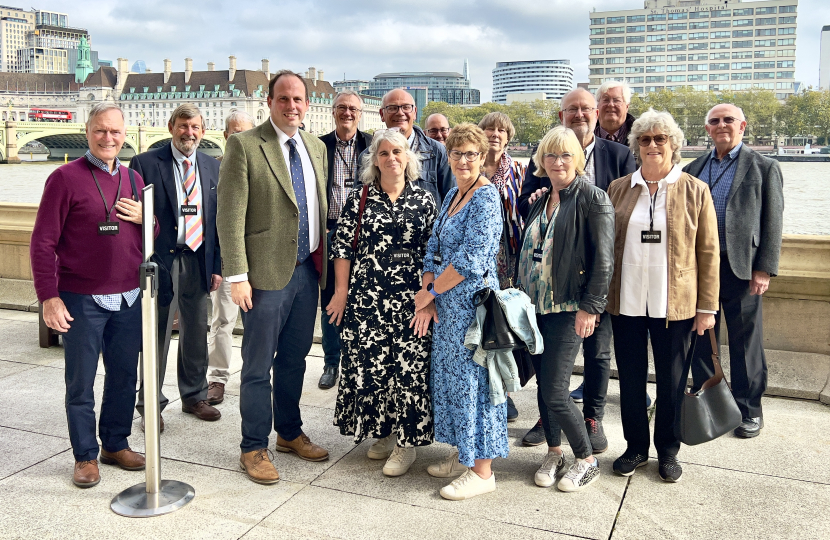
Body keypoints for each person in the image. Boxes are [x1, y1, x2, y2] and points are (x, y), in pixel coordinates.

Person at [217, 70, 330, 485]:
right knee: (257, 365)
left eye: (298, 99)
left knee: (295, 360)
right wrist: (238, 275)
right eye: (284, 99)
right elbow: (229, 218)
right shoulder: (245, 146)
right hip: (263, 276)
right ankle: (253, 446)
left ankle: (289, 432)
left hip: (306, 272)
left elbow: (317, 208)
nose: (292, 106)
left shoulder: (316, 147)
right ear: (269, 102)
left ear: (306, 103)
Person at [30, 102, 150, 487]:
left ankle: (115, 443)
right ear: (87, 131)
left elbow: (150, 236)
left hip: (129, 297)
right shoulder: (63, 178)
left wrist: (146, 219)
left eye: (115, 132)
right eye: (101, 130)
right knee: (80, 382)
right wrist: (49, 296)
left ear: (124, 134)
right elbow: (42, 243)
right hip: (81, 297)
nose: (108, 138)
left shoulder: (133, 179)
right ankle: (84, 455)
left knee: (123, 376)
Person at [518, 88, 636, 449]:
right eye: (572, 110)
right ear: (561, 115)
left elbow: (615, 232)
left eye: (586, 109)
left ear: (597, 114)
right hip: (543, 296)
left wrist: (592, 302)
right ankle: (551, 426)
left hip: (585, 289)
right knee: (550, 378)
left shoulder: (618, 157)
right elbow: (527, 211)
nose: (580, 114)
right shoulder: (543, 181)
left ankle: (591, 421)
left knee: (598, 353)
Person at [606, 109, 719, 483]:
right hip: (627, 302)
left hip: (678, 304)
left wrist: (707, 307)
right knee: (631, 380)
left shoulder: (694, 189)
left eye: (660, 139)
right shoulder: (619, 188)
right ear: (635, 145)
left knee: (672, 381)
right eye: (644, 139)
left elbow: (708, 252)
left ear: (673, 145)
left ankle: (668, 451)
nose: (652, 145)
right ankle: (636, 446)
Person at [326, 129, 437, 477]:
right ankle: (386, 432)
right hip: (367, 299)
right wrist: (341, 291)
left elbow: (434, 255)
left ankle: (408, 444)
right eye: (384, 153)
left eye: (398, 151)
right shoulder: (359, 199)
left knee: (409, 371)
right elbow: (343, 248)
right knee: (373, 368)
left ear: (409, 157)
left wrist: (429, 301)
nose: (391, 158)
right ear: (374, 159)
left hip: (411, 301)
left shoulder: (425, 200)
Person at [515, 126, 614, 492]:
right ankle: (554, 451)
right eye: (551, 155)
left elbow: (604, 262)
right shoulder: (543, 199)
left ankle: (587, 460)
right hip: (534, 308)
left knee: (557, 391)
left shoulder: (593, 199)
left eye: (565, 155)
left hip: (568, 308)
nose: (557, 162)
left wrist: (591, 307)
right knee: (544, 387)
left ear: (578, 159)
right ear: (541, 161)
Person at [412, 123, 505, 501]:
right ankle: (463, 454)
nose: (463, 160)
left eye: (471, 154)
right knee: (452, 383)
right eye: (456, 153)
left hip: (472, 308)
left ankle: (482, 471)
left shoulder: (486, 197)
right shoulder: (453, 193)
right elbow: (433, 245)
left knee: (475, 386)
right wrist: (429, 292)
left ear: (483, 158)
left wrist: (430, 290)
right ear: (447, 156)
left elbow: (471, 259)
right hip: (447, 308)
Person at [684, 103, 784, 438]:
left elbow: (773, 221)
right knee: (699, 340)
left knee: (745, 343)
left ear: (742, 126)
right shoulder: (694, 167)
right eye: (715, 121)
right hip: (699, 268)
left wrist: (765, 269)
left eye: (729, 120)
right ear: (708, 129)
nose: (722, 125)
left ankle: (749, 410)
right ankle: (709, 404)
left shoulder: (764, 167)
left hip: (741, 267)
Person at [130, 104, 222, 430]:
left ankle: (195, 396)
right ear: (171, 127)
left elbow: (218, 221)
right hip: (161, 261)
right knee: (156, 335)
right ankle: (150, 404)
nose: (189, 133)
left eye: (195, 127)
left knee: (197, 331)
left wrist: (218, 265)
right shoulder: (145, 163)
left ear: (203, 130)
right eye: (183, 126)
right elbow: (134, 218)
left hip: (198, 257)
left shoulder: (212, 166)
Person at [317, 91, 373, 390]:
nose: (347, 113)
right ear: (333, 111)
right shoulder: (319, 146)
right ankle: (331, 361)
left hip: (366, 235)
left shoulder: (373, 145)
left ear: (360, 113)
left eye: (353, 109)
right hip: (329, 230)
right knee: (330, 299)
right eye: (342, 108)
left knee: (362, 298)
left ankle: (356, 359)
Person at [206, 110, 255, 406]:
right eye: (234, 133)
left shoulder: (263, 167)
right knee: (222, 321)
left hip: (259, 263)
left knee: (258, 325)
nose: (238, 138)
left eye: (244, 133)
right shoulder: (213, 170)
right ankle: (218, 378)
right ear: (225, 136)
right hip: (226, 260)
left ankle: (254, 376)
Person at [356, 89, 454, 206]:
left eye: (406, 107)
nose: (400, 113)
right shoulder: (368, 156)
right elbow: (358, 203)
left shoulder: (437, 151)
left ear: (415, 112)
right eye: (392, 108)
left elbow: (451, 201)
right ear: (382, 114)